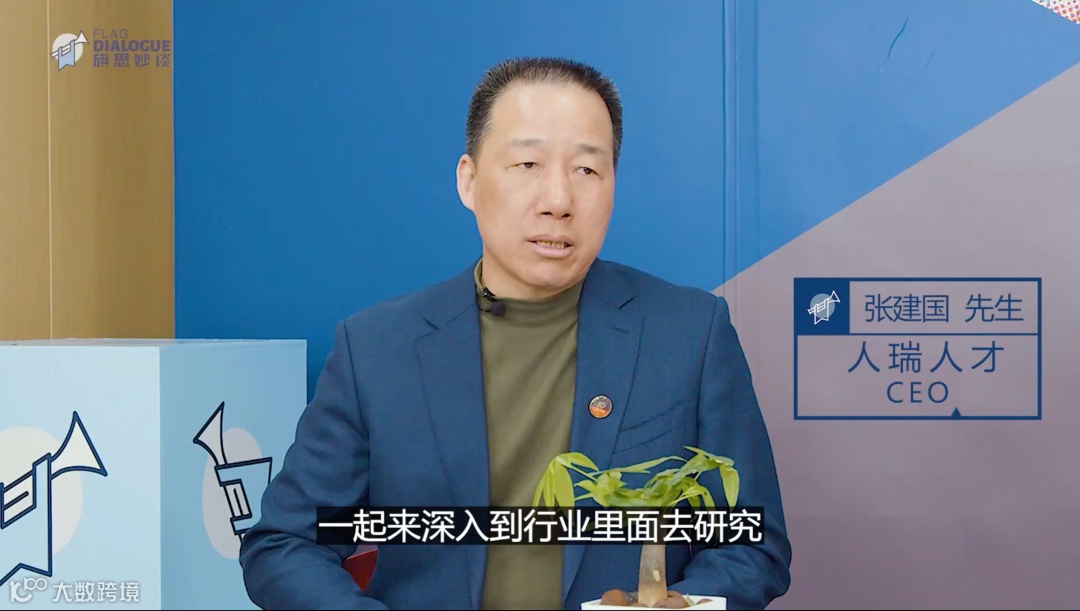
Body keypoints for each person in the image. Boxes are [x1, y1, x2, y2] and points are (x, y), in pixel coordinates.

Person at [239, 56, 792, 611]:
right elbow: (285, 544)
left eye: (587, 170)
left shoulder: (690, 333)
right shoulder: (378, 349)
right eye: (528, 163)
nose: (558, 201)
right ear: (469, 180)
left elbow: (751, 544)